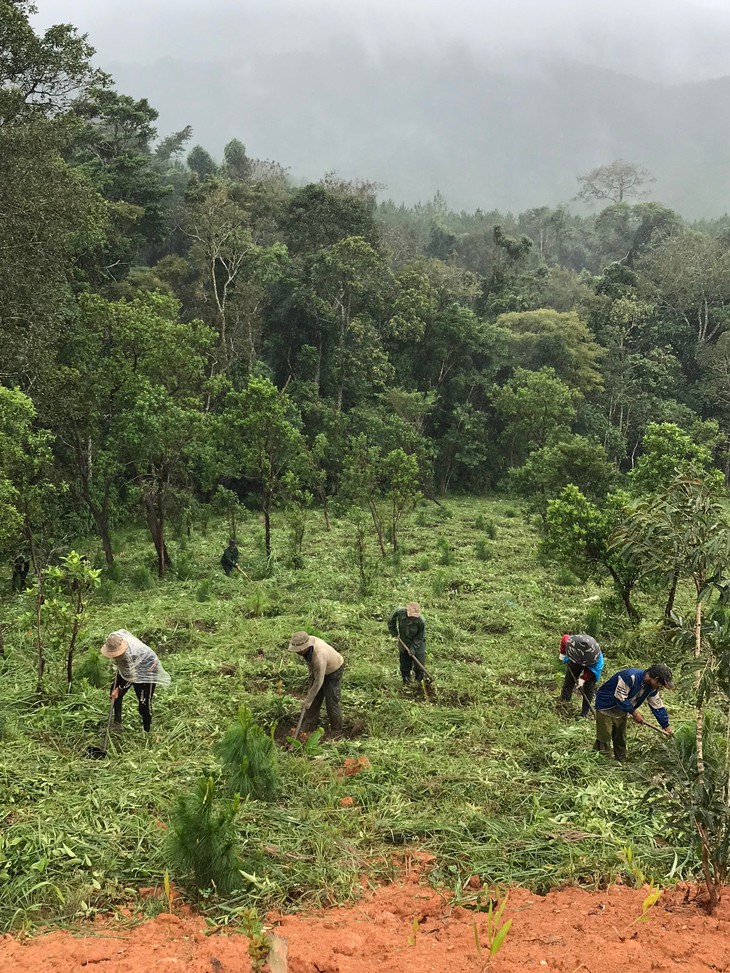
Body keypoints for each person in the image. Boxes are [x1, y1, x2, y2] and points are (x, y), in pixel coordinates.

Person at [594, 663, 674, 761]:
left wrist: (666, 726)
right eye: (660, 685)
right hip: (606, 706)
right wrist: (634, 713)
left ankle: (621, 760)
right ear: (656, 679)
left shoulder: (651, 689)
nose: (659, 688)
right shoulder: (630, 677)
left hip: (622, 709)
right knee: (604, 736)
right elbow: (620, 698)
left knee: (620, 737)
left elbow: (658, 707)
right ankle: (603, 761)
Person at [101, 630, 171, 738]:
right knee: (114, 695)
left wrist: (119, 689)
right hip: (129, 669)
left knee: (144, 702)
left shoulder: (129, 655)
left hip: (148, 668)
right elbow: (126, 672)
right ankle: (117, 723)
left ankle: (147, 731)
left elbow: (132, 678)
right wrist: (117, 689)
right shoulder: (115, 639)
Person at [288, 630, 344, 734]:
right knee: (314, 699)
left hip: (334, 670)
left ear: (305, 647)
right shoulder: (306, 645)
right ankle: (310, 725)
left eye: (299, 650)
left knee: (331, 701)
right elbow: (313, 671)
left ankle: (337, 730)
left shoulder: (318, 656)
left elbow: (319, 680)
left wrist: (308, 700)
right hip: (320, 670)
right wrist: (311, 694)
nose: (297, 652)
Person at [558, 633, 604, 717]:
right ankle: (564, 703)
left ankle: (584, 713)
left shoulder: (596, 659)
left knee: (589, 688)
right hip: (576, 658)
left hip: (591, 667)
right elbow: (564, 638)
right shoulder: (572, 643)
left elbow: (594, 671)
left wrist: (583, 678)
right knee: (569, 681)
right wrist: (563, 652)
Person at [388, 602, 426, 686]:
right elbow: (391, 620)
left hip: (418, 643)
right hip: (404, 641)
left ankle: (419, 683)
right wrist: (393, 631)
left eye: (414, 616)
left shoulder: (421, 621)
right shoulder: (400, 612)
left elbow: (420, 636)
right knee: (405, 665)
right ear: (407, 611)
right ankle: (406, 682)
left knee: (419, 665)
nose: (413, 617)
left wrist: (413, 648)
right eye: (411, 615)